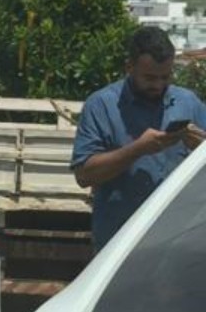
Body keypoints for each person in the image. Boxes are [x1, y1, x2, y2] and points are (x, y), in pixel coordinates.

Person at [71, 25, 206, 250]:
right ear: (129, 67)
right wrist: (137, 149)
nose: (159, 85)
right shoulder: (101, 105)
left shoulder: (188, 103)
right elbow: (84, 175)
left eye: (166, 77)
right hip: (119, 244)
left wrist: (201, 149)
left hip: (177, 241)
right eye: (150, 78)